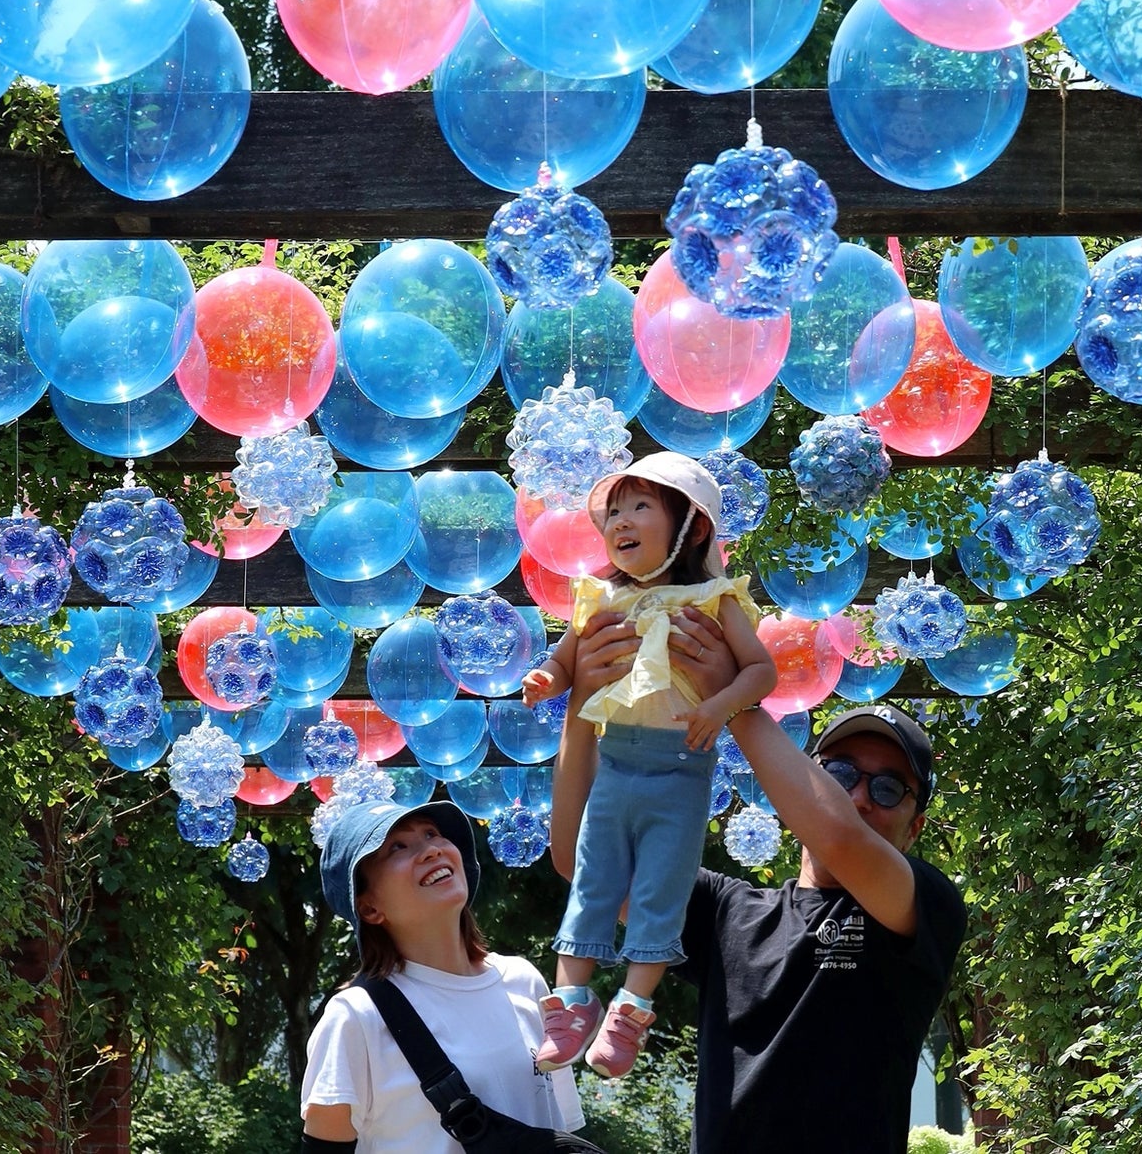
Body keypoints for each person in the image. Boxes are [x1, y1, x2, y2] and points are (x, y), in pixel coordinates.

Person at [551, 612, 968, 1154]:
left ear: (914, 829)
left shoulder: (927, 905)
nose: (859, 797)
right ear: (809, 777)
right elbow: (579, 858)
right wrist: (583, 707)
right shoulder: (725, 911)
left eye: (889, 789)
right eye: (840, 773)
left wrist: (735, 700)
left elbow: (842, 837)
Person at [523, 452, 777, 1078]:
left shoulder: (715, 599)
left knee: (662, 890)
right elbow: (568, 660)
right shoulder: (601, 599)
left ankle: (631, 1009)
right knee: (592, 880)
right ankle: (571, 1003)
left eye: (641, 506)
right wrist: (546, 677)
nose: (621, 520)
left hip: (679, 771)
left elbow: (761, 671)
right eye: (614, 511)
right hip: (614, 767)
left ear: (690, 527)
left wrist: (717, 705)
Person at [300, 798, 583, 1153]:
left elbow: (562, 1131)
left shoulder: (524, 980)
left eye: (432, 833)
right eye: (397, 847)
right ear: (369, 907)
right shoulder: (355, 1017)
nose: (431, 850)